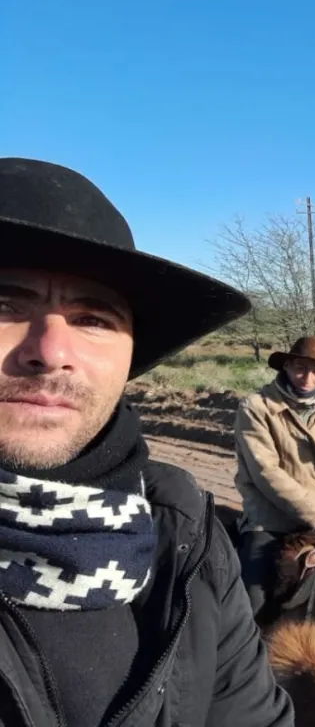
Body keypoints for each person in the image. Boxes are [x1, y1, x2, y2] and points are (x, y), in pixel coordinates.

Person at [0, 158, 293, 726]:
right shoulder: (259, 407)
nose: (51, 351)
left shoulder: (184, 532)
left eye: (93, 319)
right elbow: (269, 470)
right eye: (5, 306)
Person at [233, 335, 315, 618]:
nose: (308, 378)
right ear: (287, 367)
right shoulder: (256, 408)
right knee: (252, 604)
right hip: (270, 521)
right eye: (300, 368)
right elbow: (266, 473)